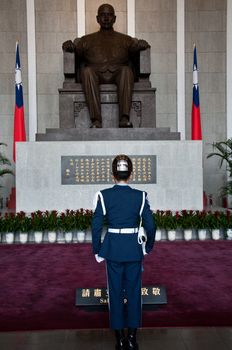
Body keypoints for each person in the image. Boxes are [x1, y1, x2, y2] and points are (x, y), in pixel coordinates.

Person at [92, 154, 156, 350]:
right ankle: (132, 337)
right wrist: (147, 247)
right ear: (131, 175)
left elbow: (96, 227)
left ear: (113, 175)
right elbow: (151, 226)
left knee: (116, 292)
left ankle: (119, 337)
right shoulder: (141, 196)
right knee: (134, 292)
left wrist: (98, 250)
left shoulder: (103, 195)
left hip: (113, 249)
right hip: (133, 249)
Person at [62, 4, 150, 129]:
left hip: (118, 73)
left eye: (109, 15)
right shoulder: (87, 40)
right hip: (95, 73)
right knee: (87, 72)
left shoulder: (125, 39)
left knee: (126, 70)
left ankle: (124, 119)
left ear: (114, 18)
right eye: (103, 15)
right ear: (97, 19)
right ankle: (96, 120)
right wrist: (68, 45)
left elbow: (135, 50)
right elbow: (75, 50)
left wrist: (141, 44)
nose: (106, 18)